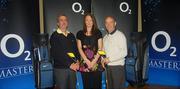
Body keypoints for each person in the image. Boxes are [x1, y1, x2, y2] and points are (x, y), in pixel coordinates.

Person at [50, 14, 79, 89]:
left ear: (67, 23)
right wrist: (70, 65)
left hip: (72, 69)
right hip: (61, 70)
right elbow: (56, 54)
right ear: (58, 23)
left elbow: (76, 50)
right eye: (61, 20)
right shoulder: (54, 36)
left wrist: (78, 61)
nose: (63, 22)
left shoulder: (71, 35)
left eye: (65, 20)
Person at [76, 13, 103, 89]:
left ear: (93, 21)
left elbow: (100, 48)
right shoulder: (79, 33)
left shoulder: (98, 32)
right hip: (84, 64)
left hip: (96, 63)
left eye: (91, 20)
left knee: (97, 86)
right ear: (84, 21)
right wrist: (86, 60)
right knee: (86, 85)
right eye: (87, 20)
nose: (89, 22)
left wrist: (94, 61)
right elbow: (79, 48)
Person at [103, 16, 127, 89]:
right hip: (108, 68)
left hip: (117, 68)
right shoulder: (105, 37)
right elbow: (103, 52)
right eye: (107, 22)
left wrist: (109, 59)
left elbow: (124, 52)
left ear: (115, 23)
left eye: (111, 22)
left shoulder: (120, 35)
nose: (109, 24)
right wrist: (102, 60)